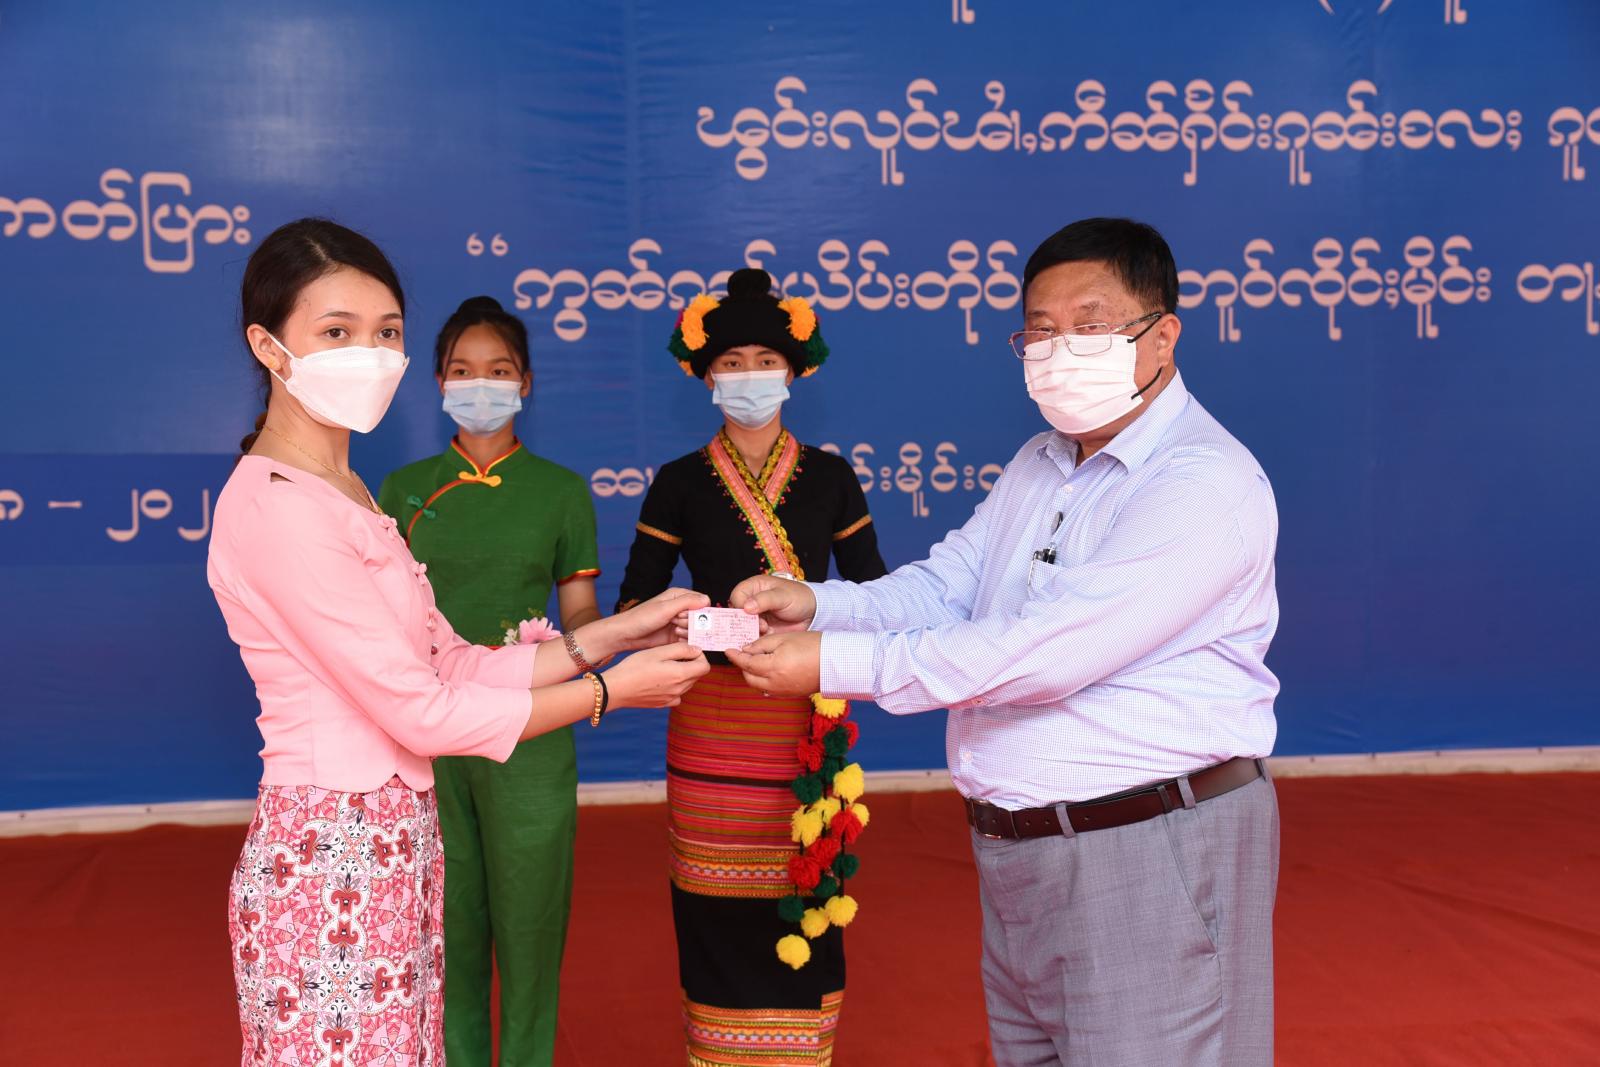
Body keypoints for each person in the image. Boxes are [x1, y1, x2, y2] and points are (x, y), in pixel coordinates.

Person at [726, 218, 1281, 1066]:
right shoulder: (1040, 461)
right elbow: (947, 585)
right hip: (1023, 857)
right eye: (1040, 332)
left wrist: (833, 662)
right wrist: (816, 605)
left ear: (1162, 335)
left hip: (1149, 847)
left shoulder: (1204, 481)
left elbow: (1046, 650)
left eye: (1089, 326)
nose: (1059, 352)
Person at [208, 217, 710, 1067]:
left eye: (386, 333)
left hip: (392, 850)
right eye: (337, 332)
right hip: (330, 861)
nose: (370, 354)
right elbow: (422, 710)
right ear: (269, 345)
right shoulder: (278, 504)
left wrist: (613, 635)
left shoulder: (349, 490)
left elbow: (450, 659)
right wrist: (612, 692)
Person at [615, 268, 887, 1066]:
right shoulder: (678, 482)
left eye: (764, 359)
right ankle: (717, 1049)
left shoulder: (832, 477)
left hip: (804, 720)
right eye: (731, 362)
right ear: (706, 376)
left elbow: (875, 595)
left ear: (794, 369)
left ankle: (803, 1051)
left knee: (807, 883)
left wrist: (811, 611)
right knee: (713, 898)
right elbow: (634, 602)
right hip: (710, 723)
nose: (748, 376)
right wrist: (689, 620)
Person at [378, 296, 598, 1066]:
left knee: (532, 929)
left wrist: (593, 644)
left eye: (499, 371)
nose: (482, 386)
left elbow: (580, 613)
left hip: (530, 731)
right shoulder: (402, 490)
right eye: (464, 371)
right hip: (426, 733)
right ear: (439, 381)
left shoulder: (561, 491)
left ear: (526, 383)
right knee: (448, 928)